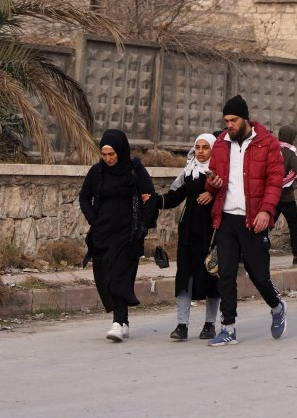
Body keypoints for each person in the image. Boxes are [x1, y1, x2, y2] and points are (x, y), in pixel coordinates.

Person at [204, 95, 287, 346]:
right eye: (226, 120)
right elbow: (213, 178)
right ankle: (228, 328)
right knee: (226, 274)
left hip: (254, 219)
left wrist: (266, 211)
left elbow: (275, 181)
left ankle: (277, 306)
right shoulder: (220, 144)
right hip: (227, 219)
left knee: (259, 274)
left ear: (245, 119)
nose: (229, 125)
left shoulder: (268, 143)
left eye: (233, 120)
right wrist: (213, 183)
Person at [78, 129, 157, 343]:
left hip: (128, 234)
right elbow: (84, 197)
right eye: (104, 154)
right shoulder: (97, 172)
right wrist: (94, 220)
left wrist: (144, 227)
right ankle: (124, 321)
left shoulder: (134, 170)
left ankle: (117, 322)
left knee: (118, 279)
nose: (108, 159)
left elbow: (151, 198)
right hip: (102, 235)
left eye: (111, 154)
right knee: (104, 277)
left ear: (120, 151)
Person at [156, 134, 222, 341]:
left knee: (211, 276)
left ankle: (210, 324)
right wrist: (154, 200)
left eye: (205, 147)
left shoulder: (220, 173)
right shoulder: (189, 172)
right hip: (188, 231)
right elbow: (174, 197)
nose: (201, 151)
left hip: (211, 232)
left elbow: (229, 194)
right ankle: (182, 325)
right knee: (184, 277)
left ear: (214, 150)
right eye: (198, 147)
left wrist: (213, 192)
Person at [273, 125, 297, 265]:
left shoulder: (273, 150)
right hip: (287, 197)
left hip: (273, 195)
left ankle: (253, 253)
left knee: (267, 226)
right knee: (294, 227)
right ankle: (296, 257)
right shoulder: (291, 153)